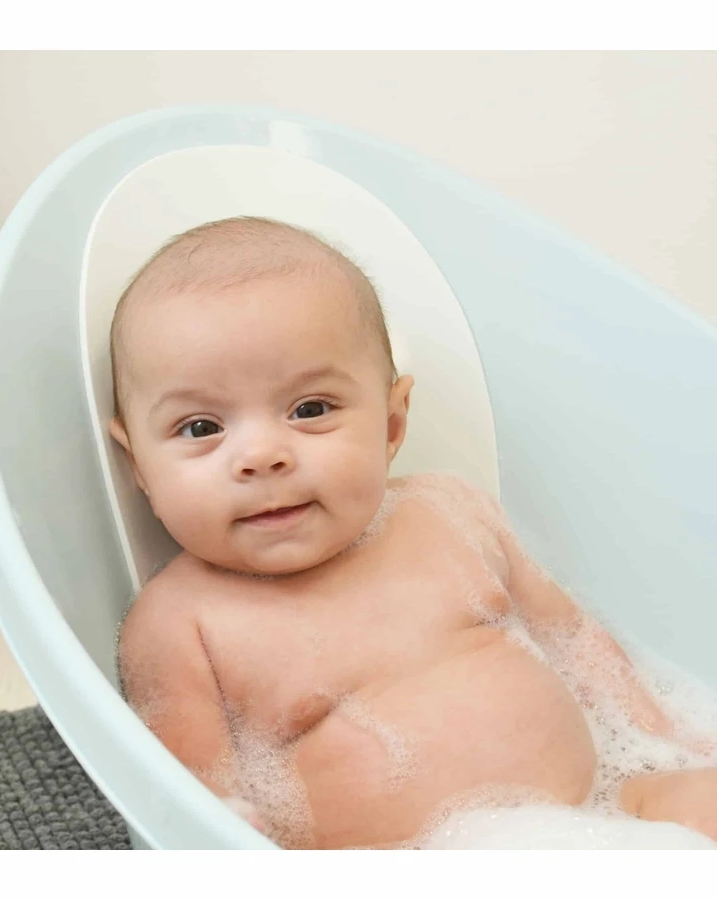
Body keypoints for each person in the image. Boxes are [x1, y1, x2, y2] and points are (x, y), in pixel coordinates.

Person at [108, 216, 717, 849]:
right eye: (201, 428)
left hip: (611, 804)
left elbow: (575, 639)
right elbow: (187, 785)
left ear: (392, 424)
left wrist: (666, 737)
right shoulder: (180, 623)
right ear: (138, 465)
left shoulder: (450, 512)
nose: (261, 456)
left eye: (309, 410)